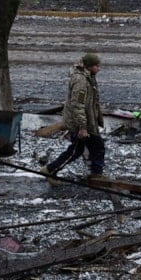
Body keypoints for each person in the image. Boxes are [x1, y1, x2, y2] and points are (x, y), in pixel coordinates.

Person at [41, 53, 105, 184]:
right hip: (79, 123)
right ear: (89, 66)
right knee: (76, 150)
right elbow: (78, 105)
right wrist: (82, 127)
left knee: (97, 147)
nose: (99, 68)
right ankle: (50, 169)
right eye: (96, 66)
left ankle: (96, 174)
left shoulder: (88, 77)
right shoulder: (81, 81)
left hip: (87, 122)